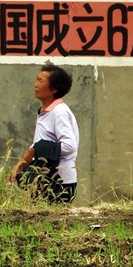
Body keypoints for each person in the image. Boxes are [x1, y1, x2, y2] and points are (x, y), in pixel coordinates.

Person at [7, 63, 79, 203]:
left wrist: (37, 149)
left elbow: (70, 146)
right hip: (44, 180)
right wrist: (19, 166)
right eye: (36, 79)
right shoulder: (46, 111)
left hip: (59, 182)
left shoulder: (59, 112)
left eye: (41, 81)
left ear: (54, 89)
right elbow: (38, 144)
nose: (36, 84)